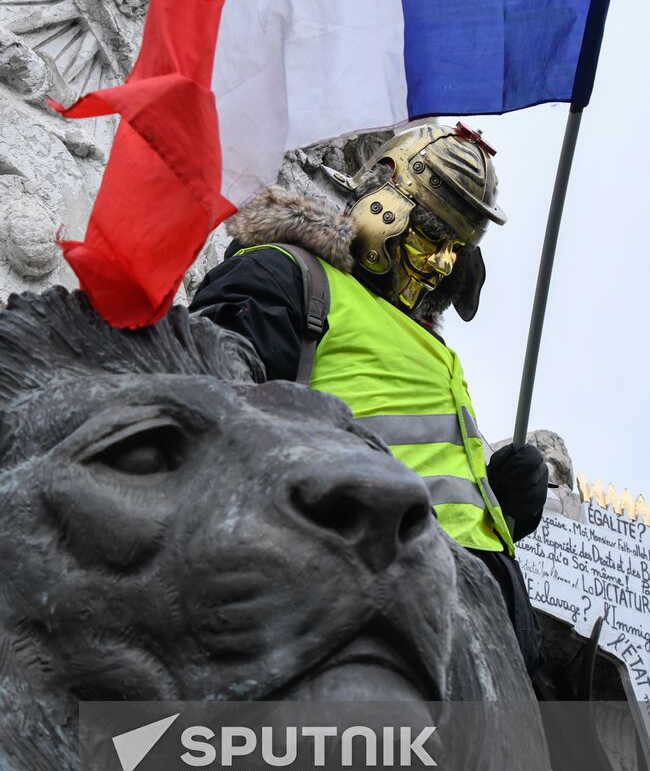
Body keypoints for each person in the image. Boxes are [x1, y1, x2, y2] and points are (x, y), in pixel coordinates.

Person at [190, 122, 548, 674]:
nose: (443, 264)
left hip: (490, 627)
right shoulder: (289, 274)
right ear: (385, 206)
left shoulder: (435, 348)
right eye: (433, 235)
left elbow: (434, 474)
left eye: (457, 247)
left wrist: (502, 507)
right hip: (368, 597)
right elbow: (212, 415)